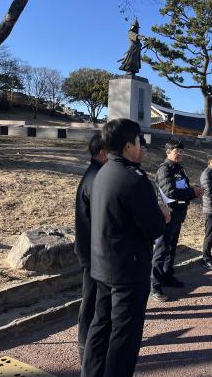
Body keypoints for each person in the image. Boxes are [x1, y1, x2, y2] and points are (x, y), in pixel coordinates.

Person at [82, 119, 169, 377]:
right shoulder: (135, 179)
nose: (141, 146)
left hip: (102, 264)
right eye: (139, 141)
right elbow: (153, 228)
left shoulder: (102, 172)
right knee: (125, 335)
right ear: (128, 145)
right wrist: (163, 214)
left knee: (101, 325)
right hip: (128, 270)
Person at [151, 139, 203, 302]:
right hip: (166, 215)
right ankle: (154, 286)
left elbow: (183, 188)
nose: (180, 154)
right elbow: (170, 192)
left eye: (181, 151)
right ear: (168, 152)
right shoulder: (164, 169)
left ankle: (167, 276)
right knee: (160, 251)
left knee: (171, 248)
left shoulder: (179, 169)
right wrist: (192, 192)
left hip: (178, 214)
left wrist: (194, 191)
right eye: (176, 151)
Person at [74, 135, 107, 364]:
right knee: (91, 300)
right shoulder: (96, 178)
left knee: (95, 300)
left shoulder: (96, 174)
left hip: (93, 250)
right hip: (94, 252)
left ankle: (91, 345)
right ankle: (85, 348)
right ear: (103, 152)